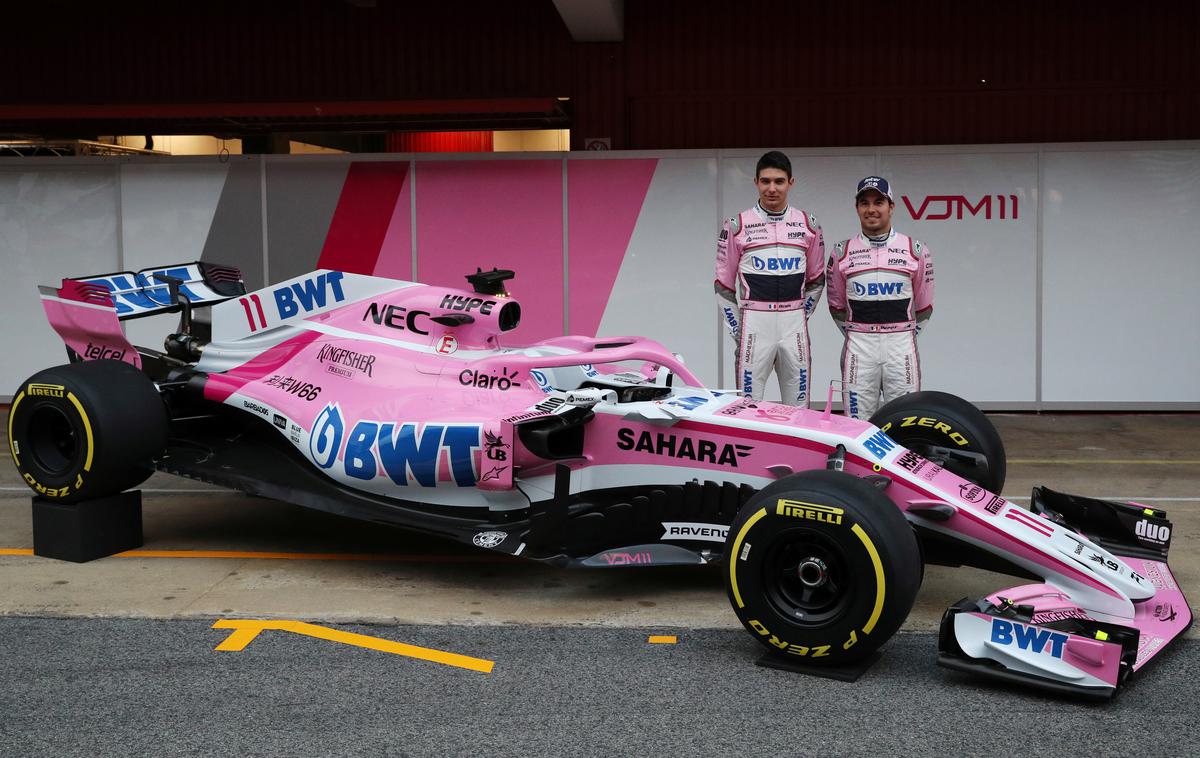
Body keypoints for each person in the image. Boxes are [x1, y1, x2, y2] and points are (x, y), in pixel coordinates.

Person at [714, 151, 826, 406]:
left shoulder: (808, 225)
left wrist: (799, 315)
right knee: (748, 407)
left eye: (779, 181)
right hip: (754, 323)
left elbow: (817, 280)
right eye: (765, 181)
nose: (772, 188)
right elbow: (723, 286)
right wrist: (738, 328)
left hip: (793, 324)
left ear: (790, 183)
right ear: (756, 182)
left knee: (798, 407)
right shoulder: (736, 225)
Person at [826, 176, 934, 420]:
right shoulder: (841, 252)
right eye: (864, 203)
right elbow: (836, 305)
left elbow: (924, 305)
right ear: (857, 208)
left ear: (891, 207)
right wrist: (858, 334)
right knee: (858, 422)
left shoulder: (915, 250)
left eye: (879, 202)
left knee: (904, 419)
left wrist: (903, 335)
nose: (871, 209)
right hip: (859, 346)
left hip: (901, 345)